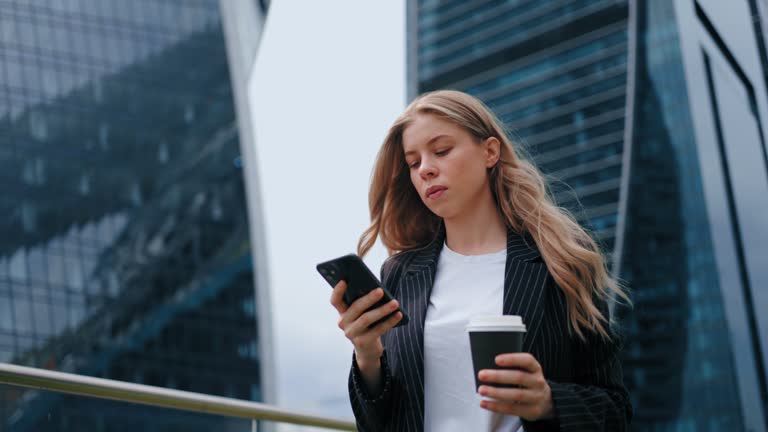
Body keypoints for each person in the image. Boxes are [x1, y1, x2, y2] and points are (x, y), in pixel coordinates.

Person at [329, 90, 632, 431]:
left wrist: (547, 401)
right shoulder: (400, 274)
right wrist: (367, 354)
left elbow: (615, 410)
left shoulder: (561, 264)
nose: (426, 169)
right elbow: (376, 423)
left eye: (441, 151)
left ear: (490, 151)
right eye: (414, 163)